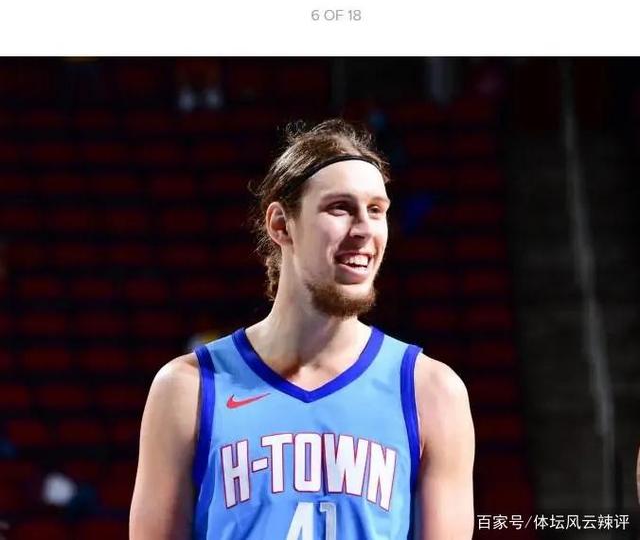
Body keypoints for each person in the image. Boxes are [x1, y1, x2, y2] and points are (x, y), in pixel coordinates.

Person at [130, 119, 475, 539]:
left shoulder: (432, 392)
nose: (364, 229)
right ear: (280, 224)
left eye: (376, 210)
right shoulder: (188, 389)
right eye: (340, 208)